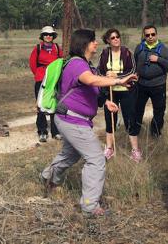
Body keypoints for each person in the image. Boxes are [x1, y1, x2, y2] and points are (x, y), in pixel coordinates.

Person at [39, 29, 137, 217]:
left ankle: (48, 177)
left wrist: (104, 102)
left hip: (70, 119)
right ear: (85, 44)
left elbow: (86, 89)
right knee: (96, 159)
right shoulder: (77, 64)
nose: (96, 44)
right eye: (93, 41)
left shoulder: (84, 64)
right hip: (72, 120)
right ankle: (90, 206)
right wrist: (118, 80)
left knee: (70, 154)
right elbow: (90, 80)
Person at [97, 29, 141, 162]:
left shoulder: (127, 52)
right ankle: (109, 148)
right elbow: (99, 71)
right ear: (108, 41)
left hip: (127, 91)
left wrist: (118, 77)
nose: (116, 39)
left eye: (118, 36)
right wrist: (107, 77)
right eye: (113, 38)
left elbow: (133, 71)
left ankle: (135, 150)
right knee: (110, 119)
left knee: (130, 119)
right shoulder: (104, 53)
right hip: (110, 91)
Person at [133, 25, 168, 138]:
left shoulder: (163, 49)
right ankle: (135, 131)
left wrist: (158, 59)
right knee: (138, 108)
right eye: (147, 35)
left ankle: (155, 132)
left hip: (158, 85)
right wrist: (136, 73)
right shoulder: (139, 48)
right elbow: (134, 62)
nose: (150, 37)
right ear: (144, 36)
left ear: (156, 35)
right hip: (141, 85)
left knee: (159, 110)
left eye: (153, 34)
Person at [29, 26, 63, 142]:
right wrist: (40, 74)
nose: (48, 36)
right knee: (40, 105)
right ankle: (42, 131)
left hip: (54, 80)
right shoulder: (38, 48)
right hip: (41, 80)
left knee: (55, 104)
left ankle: (56, 131)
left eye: (50, 34)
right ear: (42, 36)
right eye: (46, 34)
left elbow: (60, 62)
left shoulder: (57, 48)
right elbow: (33, 65)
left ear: (53, 36)